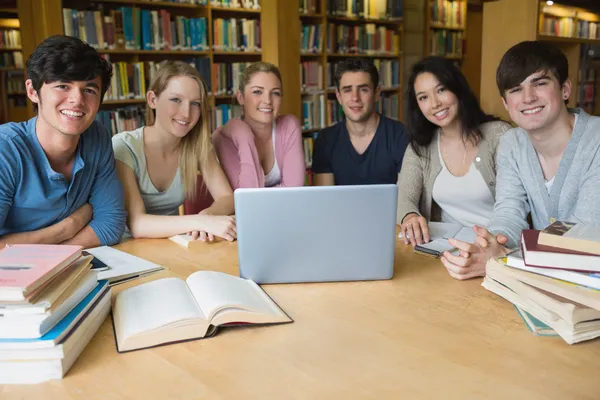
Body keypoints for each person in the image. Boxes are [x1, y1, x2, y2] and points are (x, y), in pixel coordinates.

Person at [441, 40, 600, 280]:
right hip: (543, 278)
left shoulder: (595, 140)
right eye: (516, 89)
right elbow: (509, 210)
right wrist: (492, 244)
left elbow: (585, 228)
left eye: (540, 83)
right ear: (506, 104)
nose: (528, 98)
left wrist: (506, 258)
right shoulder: (512, 143)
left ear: (565, 89)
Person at [0, 35, 126, 248]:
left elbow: (111, 225)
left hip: (69, 267)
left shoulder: (96, 136)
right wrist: (69, 225)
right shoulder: (6, 149)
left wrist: (55, 254)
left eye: (89, 90)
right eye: (63, 86)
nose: (77, 100)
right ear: (33, 91)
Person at [112, 61, 236, 242]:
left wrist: (209, 215)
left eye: (195, 103)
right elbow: (137, 224)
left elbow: (227, 197)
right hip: (126, 249)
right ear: (152, 100)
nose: (186, 113)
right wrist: (199, 222)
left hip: (174, 244)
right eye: (176, 100)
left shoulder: (197, 145)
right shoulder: (124, 146)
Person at [398, 56, 511, 246]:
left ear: (458, 89)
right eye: (423, 97)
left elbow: (513, 207)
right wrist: (409, 216)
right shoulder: (420, 147)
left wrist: (489, 247)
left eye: (441, 90)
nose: (435, 104)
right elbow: (404, 198)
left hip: (498, 246)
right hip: (446, 250)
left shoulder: (499, 135)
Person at [311, 58, 408, 185]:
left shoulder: (400, 136)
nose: (355, 98)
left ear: (377, 92)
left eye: (363, 89)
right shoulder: (326, 140)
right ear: (338, 96)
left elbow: (406, 199)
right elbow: (324, 200)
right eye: (347, 90)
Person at [212, 62, 305, 189]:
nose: (267, 100)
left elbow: (294, 190)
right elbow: (245, 199)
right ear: (241, 97)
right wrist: (244, 138)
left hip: (286, 209)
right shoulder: (223, 138)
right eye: (257, 92)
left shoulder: (289, 126)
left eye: (275, 93)